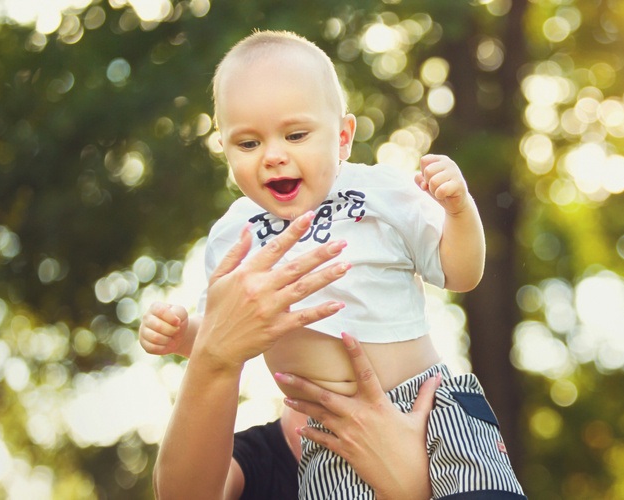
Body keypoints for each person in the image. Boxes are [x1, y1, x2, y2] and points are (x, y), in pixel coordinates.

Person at [142, 30, 525, 499]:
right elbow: (223, 336)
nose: (273, 155)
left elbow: (460, 274)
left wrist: (460, 211)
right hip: (324, 438)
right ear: (223, 147)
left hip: (432, 407)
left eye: (296, 134)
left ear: (342, 137)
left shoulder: (381, 192)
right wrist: (183, 334)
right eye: (247, 144)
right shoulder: (233, 236)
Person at [147, 218, 439, 499]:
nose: (346, 335)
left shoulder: (453, 442)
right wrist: (211, 354)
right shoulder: (251, 463)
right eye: (309, 313)